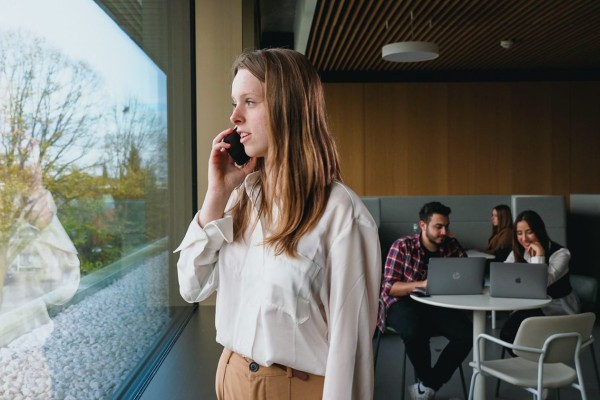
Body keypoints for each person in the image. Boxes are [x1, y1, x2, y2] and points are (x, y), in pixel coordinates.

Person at [175, 48, 381, 400]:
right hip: (230, 377)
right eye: (234, 102)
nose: (234, 116)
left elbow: (352, 350)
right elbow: (190, 287)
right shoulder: (241, 197)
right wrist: (217, 195)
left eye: (250, 101)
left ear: (289, 107)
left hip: (293, 388)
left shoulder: (342, 214)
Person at [378, 201, 472, 400]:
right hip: (402, 302)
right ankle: (427, 382)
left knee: (467, 334)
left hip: (437, 303)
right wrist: (422, 284)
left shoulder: (451, 246)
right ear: (423, 225)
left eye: (446, 226)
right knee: (414, 331)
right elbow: (389, 287)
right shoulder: (402, 246)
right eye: (438, 227)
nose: (444, 232)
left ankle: (428, 385)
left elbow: (466, 275)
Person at [499, 209, 580, 345]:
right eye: (519, 233)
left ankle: (536, 364)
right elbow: (503, 274)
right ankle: (532, 365)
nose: (523, 238)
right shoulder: (518, 251)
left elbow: (540, 284)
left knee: (514, 335)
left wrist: (539, 256)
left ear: (539, 230)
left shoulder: (561, 254)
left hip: (557, 307)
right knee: (509, 335)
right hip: (530, 305)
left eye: (529, 232)